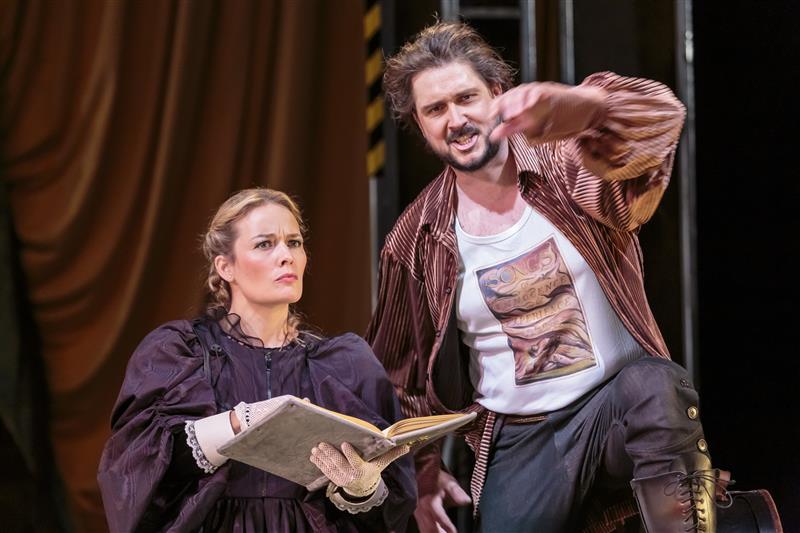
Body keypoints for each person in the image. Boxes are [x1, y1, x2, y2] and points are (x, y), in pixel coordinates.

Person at [367, 21, 725, 532]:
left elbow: (665, 118)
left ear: (497, 92)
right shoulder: (416, 239)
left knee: (658, 384)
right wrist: (422, 474)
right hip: (524, 440)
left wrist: (588, 106)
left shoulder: (565, 167)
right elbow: (399, 376)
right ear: (420, 125)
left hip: (616, 407)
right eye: (435, 109)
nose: (456, 119)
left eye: (466, 98)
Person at [97, 188, 416, 532]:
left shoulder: (345, 364)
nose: (286, 256)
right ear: (226, 267)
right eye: (265, 244)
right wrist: (240, 422)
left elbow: (390, 509)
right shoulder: (179, 353)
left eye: (294, 243)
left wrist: (361, 489)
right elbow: (137, 472)